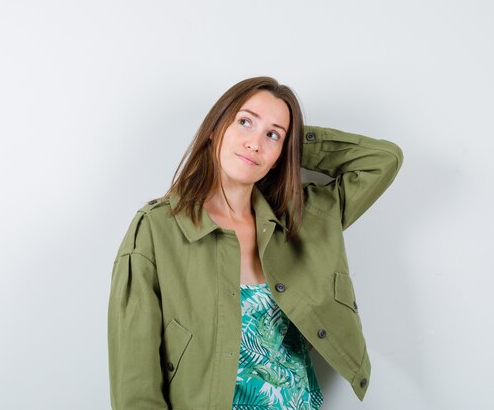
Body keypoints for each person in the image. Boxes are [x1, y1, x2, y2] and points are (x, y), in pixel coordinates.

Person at [107, 76, 403, 410]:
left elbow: (384, 160)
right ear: (215, 128)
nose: (255, 143)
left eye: (272, 134)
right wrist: (274, 135)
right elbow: (135, 380)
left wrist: (292, 143)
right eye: (245, 122)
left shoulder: (300, 220)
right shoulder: (157, 229)